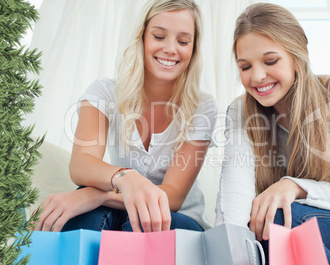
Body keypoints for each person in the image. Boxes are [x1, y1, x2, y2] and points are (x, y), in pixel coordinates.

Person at [34, 0, 217, 233]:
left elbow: (173, 195)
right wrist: (126, 178)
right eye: (159, 36)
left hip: (178, 217)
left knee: (134, 223)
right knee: (86, 216)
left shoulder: (202, 106)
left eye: (183, 41)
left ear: (193, 49)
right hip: (119, 206)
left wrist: (94, 195)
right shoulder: (104, 92)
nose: (171, 48)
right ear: (142, 38)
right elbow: (81, 164)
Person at [215, 3, 330, 264]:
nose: (257, 77)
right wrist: (229, 247)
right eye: (245, 67)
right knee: (254, 228)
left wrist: (295, 186)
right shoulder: (240, 110)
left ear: (297, 56)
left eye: (270, 61)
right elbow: (235, 191)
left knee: (277, 220)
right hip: (296, 218)